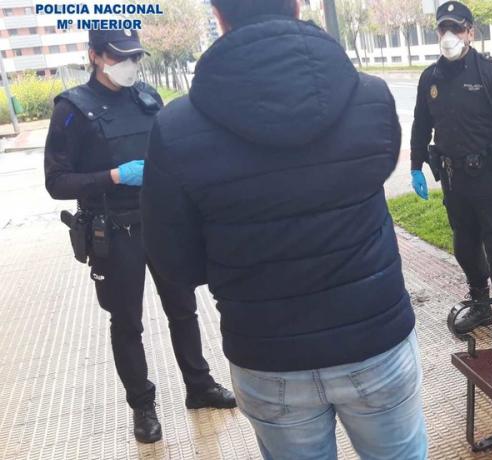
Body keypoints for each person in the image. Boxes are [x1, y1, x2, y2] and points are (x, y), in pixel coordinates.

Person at [140, 0, 427, 458]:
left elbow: (173, 261)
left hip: (266, 353)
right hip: (374, 339)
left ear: (218, 16)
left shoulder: (176, 128)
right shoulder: (370, 97)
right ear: (296, 6)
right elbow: (371, 175)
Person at [44, 29, 236, 444]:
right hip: (114, 230)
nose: (129, 65)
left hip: (162, 222)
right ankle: (142, 405)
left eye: (134, 57)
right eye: (119, 57)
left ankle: (199, 386)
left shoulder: (147, 97)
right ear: (95, 56)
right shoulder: (72, 109)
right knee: (127, 321)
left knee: (184, 309)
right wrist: (114, 176)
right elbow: (56, 181)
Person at [410, 1, 492, 347]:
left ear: (470, 33)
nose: (449, 35)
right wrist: (415, 166)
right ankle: (481, 306)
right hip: (454, 179)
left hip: (490, 178)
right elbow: (421, 125)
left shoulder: (491, 74)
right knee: (464, 246)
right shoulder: (430, 78)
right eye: (443, 28)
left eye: (456, 28)